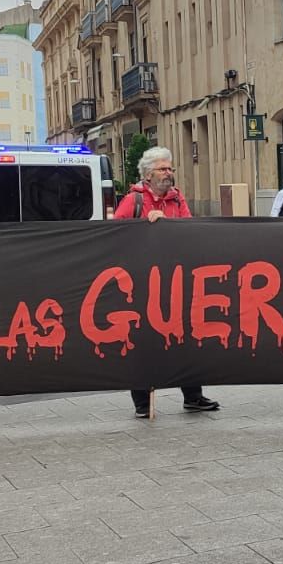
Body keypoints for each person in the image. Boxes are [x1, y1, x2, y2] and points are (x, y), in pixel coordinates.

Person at [115, 147, 220, 419]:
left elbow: (189, 229)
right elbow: (115, 235)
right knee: (143, 342)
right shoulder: (133, 201)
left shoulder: (177, 200)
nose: (169, 174)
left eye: (170, 169)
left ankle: (193, 397)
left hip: (176, 279)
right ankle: (142, 402)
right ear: (148, 175)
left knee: (186, 337)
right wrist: (146, 227)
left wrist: (169, 225)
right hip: (143, 283)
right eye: (163, 169)